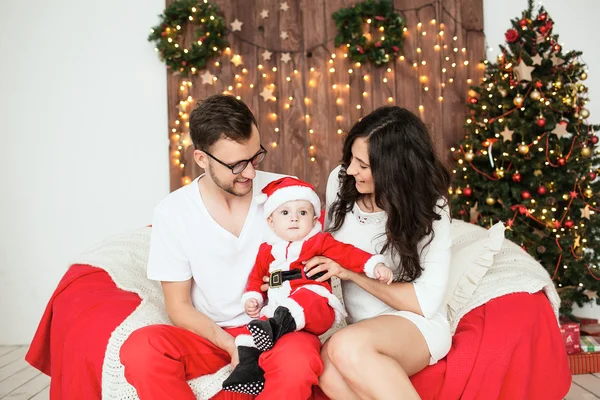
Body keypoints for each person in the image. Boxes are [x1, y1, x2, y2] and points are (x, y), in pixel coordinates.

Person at [119, 94, 325, 400]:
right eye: (237, 164)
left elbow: (312, 271)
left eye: (256, 157)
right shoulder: (173, 211)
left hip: (279, 331)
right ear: (202, 159)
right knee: (141, 348)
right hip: (214, 336)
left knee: (299, 361)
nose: (251, 172)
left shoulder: (288, 194)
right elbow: (179, 306)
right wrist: (232, 346)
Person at [304, 106, 453, 400]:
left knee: (343, 346)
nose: (350, 170)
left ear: (394, 170)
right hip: (360, 327)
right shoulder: (341, 181)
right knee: (326, 369)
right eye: (351, 159)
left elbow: (424, 303)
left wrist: (351, 273)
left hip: (414, 324)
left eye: (363, 164)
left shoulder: (432, 208)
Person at [222, 177, 394, 395]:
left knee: (307, 295)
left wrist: (373, 264)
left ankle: (278, 324)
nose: (294, 218)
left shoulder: (318, 242)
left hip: (317, 307)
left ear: (313, 220)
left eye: (302, 213)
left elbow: (347, 253)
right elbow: (256, 278)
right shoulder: (267, 251)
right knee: (250, 333)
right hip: (278, 310)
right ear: (271, 221)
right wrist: (253, 298)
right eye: (285, 213)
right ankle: (249, 371)